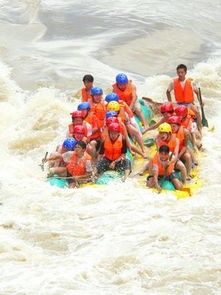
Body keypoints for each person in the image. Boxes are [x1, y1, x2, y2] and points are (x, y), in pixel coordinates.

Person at [166, 64, 202, 131]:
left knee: (197, 112)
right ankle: (171, 129)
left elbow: (197, 92)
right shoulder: (173, 82)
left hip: (189, 103)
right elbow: (167, 92)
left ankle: (200, 128)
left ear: (185, 73)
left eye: (182, 72)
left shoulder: (191, 82)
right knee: (172, 115)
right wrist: (170, 102)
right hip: (179, 104)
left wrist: (200, 102)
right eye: (178, 72)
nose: (180, 74)